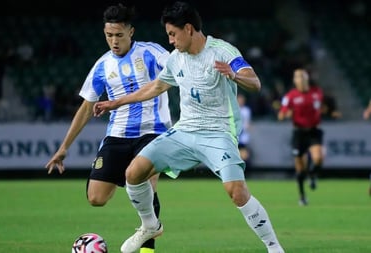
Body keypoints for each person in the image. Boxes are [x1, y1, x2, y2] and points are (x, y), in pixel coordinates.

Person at [94, 2, 285, 253]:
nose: (171, 41)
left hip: (218, 133)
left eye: (173, 34)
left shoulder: (222, 51)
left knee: (237, 192)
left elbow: (255, 82)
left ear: (189, 29)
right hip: (184, 131)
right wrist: (115, 102)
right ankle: (150, 225)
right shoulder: (176, 59)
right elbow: (155, 87)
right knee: (134, 172)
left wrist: (234, 75)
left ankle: (274, 247)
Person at [45, 4, 172, 253]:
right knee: (96, 198)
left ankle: (148, 247)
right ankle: (149, 218)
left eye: (119, 35)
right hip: (117, 135)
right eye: (109, 35)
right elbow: (85, 108)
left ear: (131, 32)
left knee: (146, 184)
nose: (113, 41)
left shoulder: (151, 52)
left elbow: (177, 71)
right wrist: (64, 147)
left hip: (153, 131)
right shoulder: (102, 65)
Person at [278, 68, 324, 206]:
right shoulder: (290, 96)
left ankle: (312, 174)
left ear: (307, 78)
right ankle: (302, 196)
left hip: (313, 131)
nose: (301, 79)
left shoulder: (317, 92)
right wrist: (286, 114)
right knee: (300, 168)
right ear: (294, 80)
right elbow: (281, 114)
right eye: (298, 77)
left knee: (318, 158)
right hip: (299, 132)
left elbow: (322, 108)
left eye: (303, 76)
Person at [237, 93, 252, 166]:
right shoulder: (234, 109)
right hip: (235, 135)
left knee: (244, 154)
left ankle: (245, 171)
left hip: (243, 136)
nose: (240, 101)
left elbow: (247, 123)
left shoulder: (246, 110)